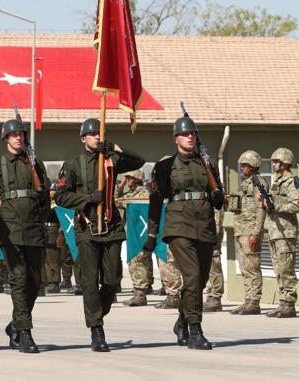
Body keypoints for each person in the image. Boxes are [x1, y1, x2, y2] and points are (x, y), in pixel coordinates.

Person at [55, 117, 144, 352]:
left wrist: (113, 146)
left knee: (113, 279)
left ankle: (96, 311)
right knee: (89, 281)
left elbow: (139, 160)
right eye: (92, 134)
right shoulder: (73, 164)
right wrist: (86, 199)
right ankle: (96, 329)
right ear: (83, 138)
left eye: (99, 133)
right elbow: (61, 196)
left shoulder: (111, 159)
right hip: (87, 228)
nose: (96, 137)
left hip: (111, 226)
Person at [145, 115, 223, 350]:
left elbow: (218, 197)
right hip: (178, 225)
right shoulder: (165, 166)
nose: (190, 137)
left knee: (199, 281)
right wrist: (151, 235)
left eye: (193, 133)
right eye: (185, 134)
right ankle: (196, 331)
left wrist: (218, 197)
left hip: (205, 225)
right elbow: (156, 200)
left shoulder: (207, 164)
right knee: (191, 276)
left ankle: (182, 322)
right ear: (176, 138)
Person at [0, 118, 49, 354]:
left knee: (35, 282)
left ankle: (16, 324)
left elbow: (46, 197)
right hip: (10, 229)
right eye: (13, 134)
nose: (18, 137)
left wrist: (41, 196)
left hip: (35, 229)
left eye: (21, 134)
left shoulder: (36, 164)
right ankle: (25, 332)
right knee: (18, 280)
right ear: (6, 138)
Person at [228, 150, 267, 316]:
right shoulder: (245, 184)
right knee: (245, 267)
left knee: (252, 267)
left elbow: (261, 209)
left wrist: (256, 233)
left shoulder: (259, 183)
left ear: (253, 167)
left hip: (251, 231)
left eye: (245, 165)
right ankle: (248, 300)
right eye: (242, 165)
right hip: (241, 231)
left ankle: (254, 302)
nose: (242, 168)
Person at [264, 148, 299, 318]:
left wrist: (276, 206)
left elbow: (295, 205)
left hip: (285, 231)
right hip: (274, 230)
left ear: (285, 163)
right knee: (278, 268)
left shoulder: (291, 182)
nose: (273, 165)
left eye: (276, 161)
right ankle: (283, 301)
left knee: (286, 268)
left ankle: (289, 303)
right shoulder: (277, 182)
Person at [118, 169, 152, 307]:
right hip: (133, 232)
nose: (127, 180)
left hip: (140, 232)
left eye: (130, 178)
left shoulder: (143, 193)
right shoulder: (130, 193)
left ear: (137, 179)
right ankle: (142, 289)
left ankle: (140, 294)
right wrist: (120, 188)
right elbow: (116, 201)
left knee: (136, 261)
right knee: (139, 260)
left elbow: (131, 205)